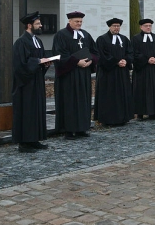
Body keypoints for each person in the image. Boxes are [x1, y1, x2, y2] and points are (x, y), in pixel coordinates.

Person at [53, 11, 99, 140]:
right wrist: (76, 62)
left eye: (80, 21)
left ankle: (81, 128)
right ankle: (68, 130)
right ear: (70, 21)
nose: (79, 24)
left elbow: (95, 51)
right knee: (69, 102)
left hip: (83, 74)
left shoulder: (85, 35)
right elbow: (59, 54)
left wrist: (91, 61)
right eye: (76, 21)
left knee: (83, 101)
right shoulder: (61, 35)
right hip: (69, 75)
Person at [12, 11, 52, 153]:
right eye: (38, 24)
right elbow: (20, 65)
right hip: (26, 84)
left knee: (37, 110)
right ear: (29, 25)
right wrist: (38, 61)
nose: (41, 25)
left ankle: (35, 139)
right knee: (27, 111)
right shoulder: (21, 42)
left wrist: (45, 63)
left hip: (37, 81)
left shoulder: (37, 41)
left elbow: (40, 58)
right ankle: (25, 143)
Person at [94, 18, 134, 126]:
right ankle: (108, 119)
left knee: (122, 94)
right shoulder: (102, 39)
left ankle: (123, 118)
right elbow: (102, 55)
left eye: (118, 26)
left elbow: (130, 52)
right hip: (108, 73)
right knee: (109, 95)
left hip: (122, 73)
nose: (116, 28)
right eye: (114, 26)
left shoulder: (124, 39)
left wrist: (126, 60)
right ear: (109, 27)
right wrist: (116, 62)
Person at [132, 19, 155, 120]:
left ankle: (153, 112)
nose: (148, 27)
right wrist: (147, 60)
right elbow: (134, 52)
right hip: (141, 70)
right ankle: (140, 113)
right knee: (140, 90)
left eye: (150, 26)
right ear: (141, 27)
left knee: (154, 89)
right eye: (146, 26)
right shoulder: (136, 39)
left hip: (153, 70)